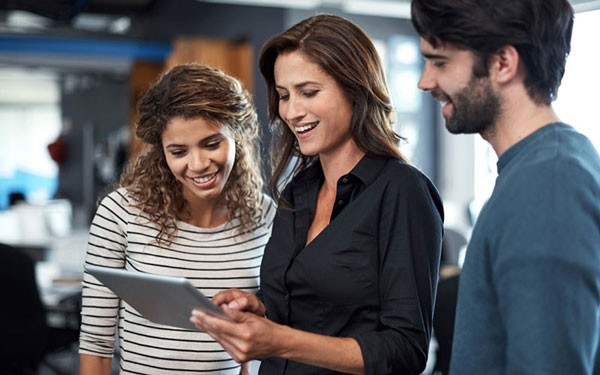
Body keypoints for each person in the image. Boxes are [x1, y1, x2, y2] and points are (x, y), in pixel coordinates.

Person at [190, 14, 444, 375]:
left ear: (355, 88)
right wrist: (260, 310)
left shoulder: (402, 191)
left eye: (309, 92)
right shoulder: (299, 191)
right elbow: (311, 308)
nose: (292, 112)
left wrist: (278, 340)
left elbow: (406, 351)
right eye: (283, 95)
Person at [411, 0, 600, 374]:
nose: (424, 81)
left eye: (440, 62)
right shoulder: (543, 165)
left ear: (502, 63)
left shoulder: (547, 184)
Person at [78, 63, 276, 374]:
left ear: (237, 134)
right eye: (179, 151)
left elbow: (260, 335)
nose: (198, 164)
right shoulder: (120, 212)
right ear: (161, 152)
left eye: (212, 144)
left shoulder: (265, 215)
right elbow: (96, 344)